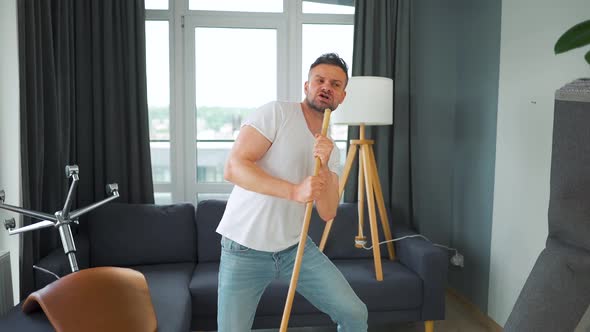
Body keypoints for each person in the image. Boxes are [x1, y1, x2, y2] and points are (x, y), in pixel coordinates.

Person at [216, 53, 368, 331]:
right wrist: (294, 191)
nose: (326, 87)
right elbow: (234, 167)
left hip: (294, 248)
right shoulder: (277, 113)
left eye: (335, 84)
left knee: (355, 313)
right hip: (244, 248)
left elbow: (328, 210)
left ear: (342, 96)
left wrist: (323, 168)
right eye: (319, 80)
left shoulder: (329, 144)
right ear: (306, 86)